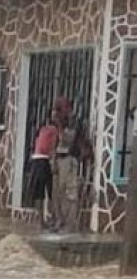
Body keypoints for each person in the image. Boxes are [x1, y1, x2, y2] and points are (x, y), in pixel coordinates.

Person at [52, 97, 93, 232]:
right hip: (60, 160)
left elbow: (66, 140)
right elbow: (55, 143)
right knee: (57, 193)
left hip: (69, 160)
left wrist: (58, 125)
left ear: (68, 109)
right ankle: (60, 221)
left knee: (69, 193)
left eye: (60, 109)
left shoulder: (74, 123)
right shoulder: (61, 123)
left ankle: (70, 224)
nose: (58, 112)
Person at [28, 106, 61, 229]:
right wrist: (53, 162)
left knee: (42, 192)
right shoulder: (51, 130)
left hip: (38, 160)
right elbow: (52, 146)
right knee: (46, 192)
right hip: (42, 160)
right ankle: (48, 219)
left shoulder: (45, 129)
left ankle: (45, 220)